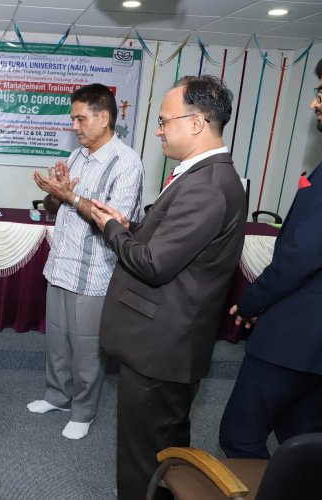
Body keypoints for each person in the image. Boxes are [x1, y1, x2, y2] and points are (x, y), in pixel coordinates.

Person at [89, 75, 246, 499]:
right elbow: (173, 246)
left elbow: (155, 264)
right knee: (168, 453)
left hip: (161, 351)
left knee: (143, 459)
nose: (158, 130)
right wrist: (130, 228)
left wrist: (108, 228)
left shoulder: (208, 186)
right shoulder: (204, 176)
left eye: (163, 121)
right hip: (171, 345)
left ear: (196, 123)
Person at [219, 56, 322, 459]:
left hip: (294, 336)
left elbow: (302, 254)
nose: (315, 103)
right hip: (318, 342)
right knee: (303, 435)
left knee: (241, 436)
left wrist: (252, 302)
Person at [28, 83, 144, 440]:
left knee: (88, 348)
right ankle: (58, 396)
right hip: (62, 266)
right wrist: (55, 192)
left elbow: (115, 220)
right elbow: (59, 205)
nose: (75, 126)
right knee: (58, 342)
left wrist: (69, 194)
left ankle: (83, 411)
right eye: (73, 119)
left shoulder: (127, 163)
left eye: (81, 118)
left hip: (95, 274)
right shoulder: (79, 156)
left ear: (104, 117)